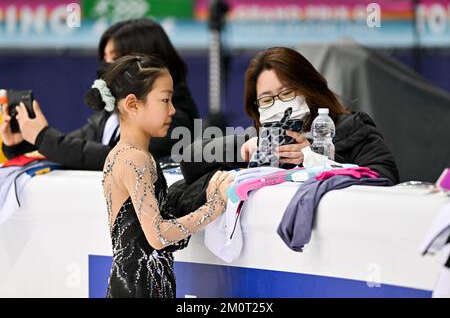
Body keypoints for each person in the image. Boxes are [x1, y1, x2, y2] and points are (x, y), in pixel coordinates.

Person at [86, 54, 233, 298]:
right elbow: (159, 235)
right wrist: (215, 207)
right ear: (133, 104)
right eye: (165, 100)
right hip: (140, 289)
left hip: (137, 284)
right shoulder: (134, 159)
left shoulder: (121, 154)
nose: (173, 110)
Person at [0, 18, 199, 170]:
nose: (106, 68)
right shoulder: (110, 117)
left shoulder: (172, 119)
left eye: (115, 59)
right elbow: (72, 151)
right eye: (105, 59)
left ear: (144, 62)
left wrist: (44, 138)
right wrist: (22, 145)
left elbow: (117, 159)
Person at [240, 47, 399, 184]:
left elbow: (385, 178)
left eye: (287, 93)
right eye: (266, 100)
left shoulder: (354, 127)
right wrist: (248, 151)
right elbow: (216, 155)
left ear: (308, 88)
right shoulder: (258, 141)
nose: (278, 104)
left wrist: (315, 160)